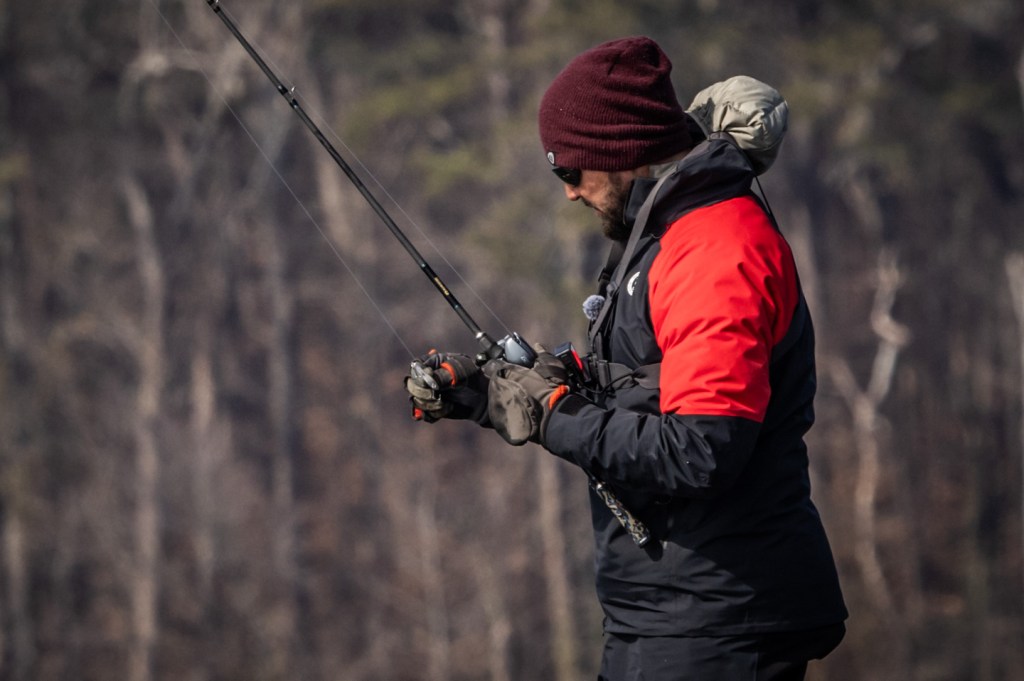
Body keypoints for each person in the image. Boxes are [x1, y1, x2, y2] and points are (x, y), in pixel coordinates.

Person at [405, 36, 847, 681]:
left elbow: (699, 450)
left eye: (569, 172)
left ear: (621, 153)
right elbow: (652, 388)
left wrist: (551, 415)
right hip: (665, 615)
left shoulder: (714, 248)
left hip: (719, 621)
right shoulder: (666, 235)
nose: (569, 194)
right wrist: (490, 393)